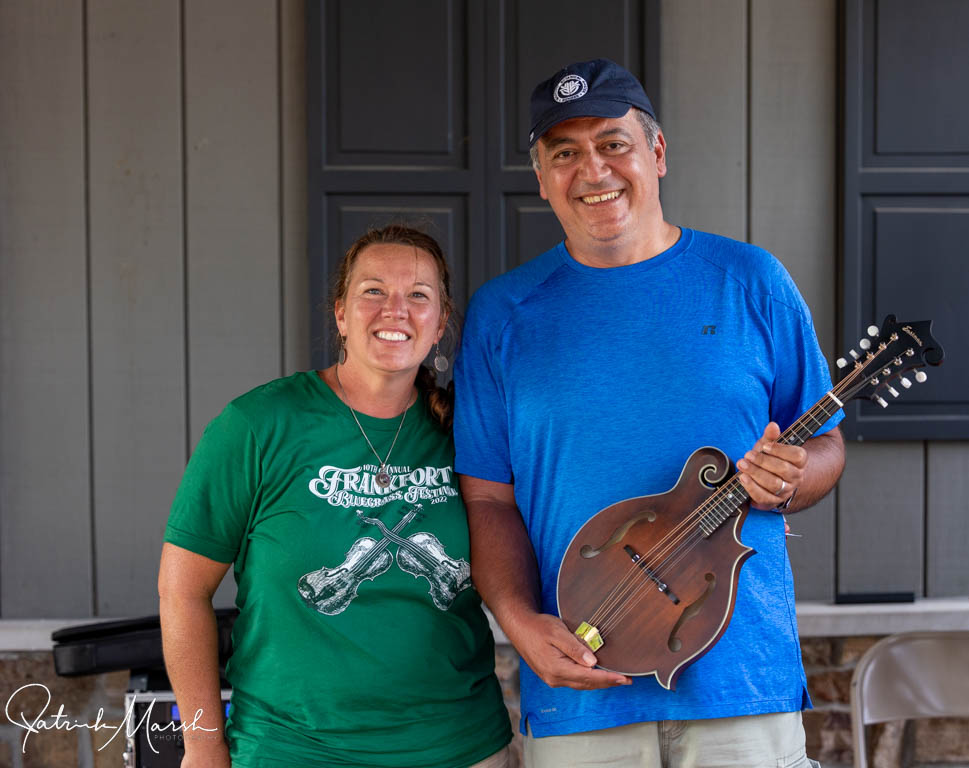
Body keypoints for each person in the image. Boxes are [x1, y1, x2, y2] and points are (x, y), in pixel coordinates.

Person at [453, 59, 846, 768]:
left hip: (741, 686)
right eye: (564, 153)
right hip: (581, 690)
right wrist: (517, 623)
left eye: (613, 143)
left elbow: (824, 446)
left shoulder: (750, 281)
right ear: (541, 179)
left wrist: (789, 477)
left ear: (655, 153)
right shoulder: (503, 314)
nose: (593, 170)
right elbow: (486, 499)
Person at [159, 225, 512, 768]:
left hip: (458, 748)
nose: (395, 310)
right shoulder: (258, 425)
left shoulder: (471, 432)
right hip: (292, 748)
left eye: (418, 296)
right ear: (341, 314)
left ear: (440, 324)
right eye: (373, 291)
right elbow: (182, 591)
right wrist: (203, 742)